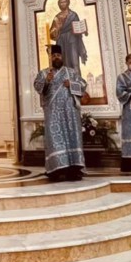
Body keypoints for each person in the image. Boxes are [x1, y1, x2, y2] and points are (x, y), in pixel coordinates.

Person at [34, 44, 86, 182]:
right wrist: (46, 81)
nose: (56, 58)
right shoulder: (44, 73)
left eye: (58, 55)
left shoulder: (71, 72)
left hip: (70, 113)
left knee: (72, 138)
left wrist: (72, 85)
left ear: (62, 57)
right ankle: (56, 169)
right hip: (53, 113)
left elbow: (83, 86)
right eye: (54, 56)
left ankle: (74, 169)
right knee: (55, 139)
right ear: (50, 58)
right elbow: (37, 87)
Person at [50, 0, 87, 74]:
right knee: (63, 61)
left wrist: (83, 30)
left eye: (64, 2)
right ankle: (64, 78)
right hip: (61, 40)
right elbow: (52, 32)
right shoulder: (57, 17)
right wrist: (57, 28)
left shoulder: (73, 15)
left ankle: (77, 79)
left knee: (74, 60)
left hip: (72, 40)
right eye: (60, 2)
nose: (62, 4)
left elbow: (78, 26)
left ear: (68, 3)